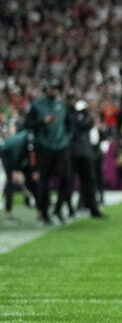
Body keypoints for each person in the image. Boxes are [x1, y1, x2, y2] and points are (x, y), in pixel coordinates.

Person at [25, 78, 73, 225]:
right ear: (46, 89)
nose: (54, 91)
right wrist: (43, 121)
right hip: (44, 148)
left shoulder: (61, 105)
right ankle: (44, 213)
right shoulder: (37, 105)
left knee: (66, 178)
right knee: (43, 182)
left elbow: (69, 124)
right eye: (52, 88)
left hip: (61, 147)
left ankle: (58, 208)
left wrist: (66, 138)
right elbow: (27, 124)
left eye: (56, 88)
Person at [67, 100, 104, 218]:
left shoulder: (72, 118)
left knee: (74, 182)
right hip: (82, 154)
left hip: (76, 153)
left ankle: (75, 207)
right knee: (87, 181)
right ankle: (89, 207)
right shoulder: (83, 120)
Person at [2, 124, 37, 226]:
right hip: (9, 158)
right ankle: (9, 215)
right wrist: (14, 171)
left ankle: (40, 211)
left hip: (19, 160)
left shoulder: (26, 137)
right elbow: (10, 153)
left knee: (31, 182)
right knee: (11, 183)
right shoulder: (21, 139)